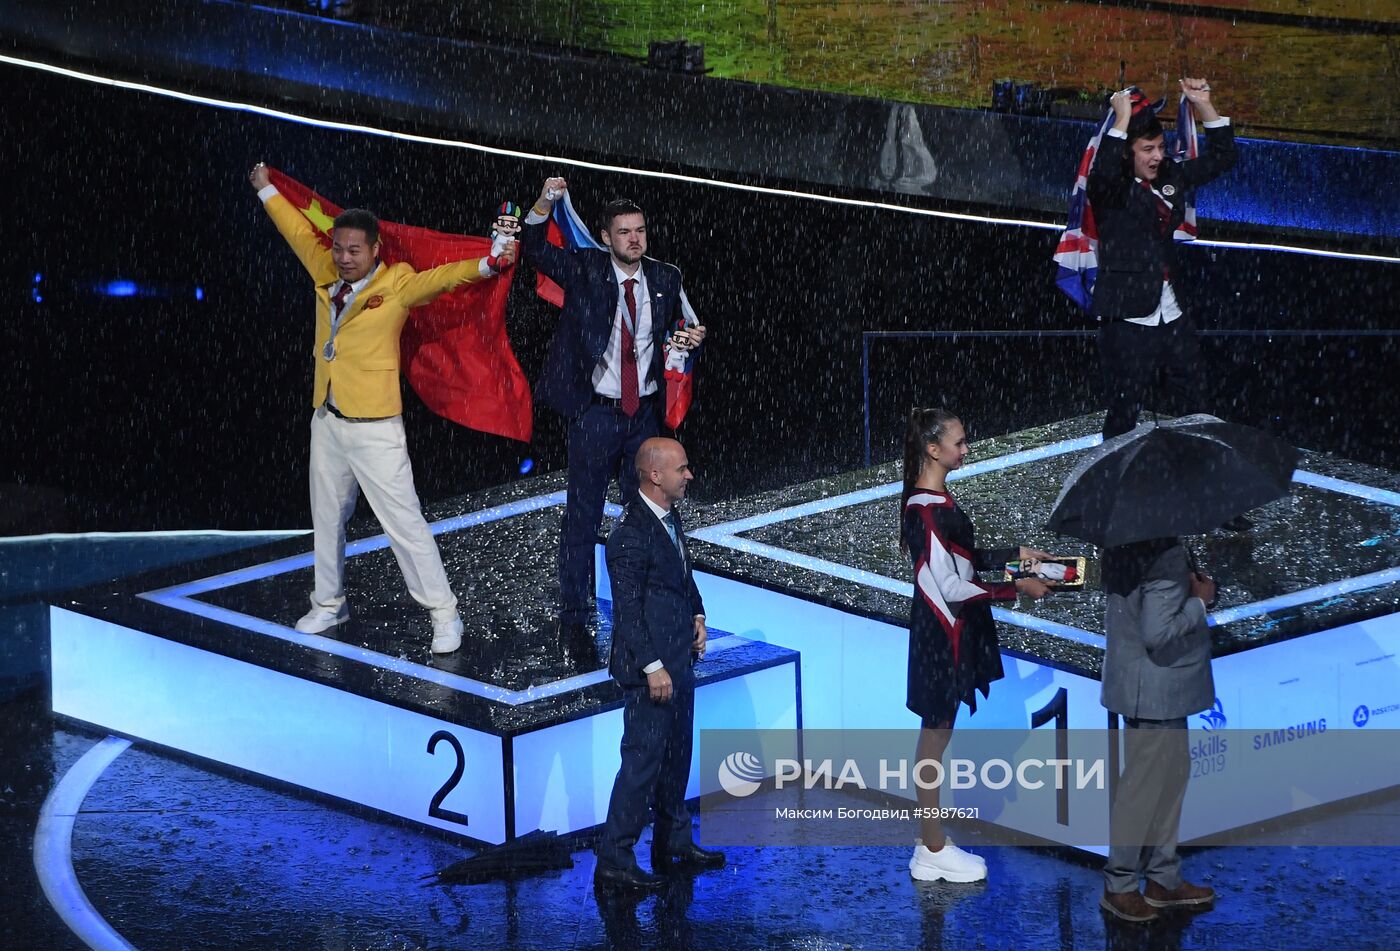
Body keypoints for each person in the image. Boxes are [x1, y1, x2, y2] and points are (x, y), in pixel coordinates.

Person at [248, 162, 514, 654]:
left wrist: (486, 265)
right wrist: (266, 191)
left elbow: (443, 279)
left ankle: (443, 612)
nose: (344, 258)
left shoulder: (397, 283)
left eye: (355, 250)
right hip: (326, 420)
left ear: (375, 250)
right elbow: (292, 229)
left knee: (404, 525)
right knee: (325, 518)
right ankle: (329, 603)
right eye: (339, 248)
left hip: (376, 429)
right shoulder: (324, 271)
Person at [522, 178, 706, 641]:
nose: (634, 239)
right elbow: (532, 245)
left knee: (649, 509)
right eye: (624, 232)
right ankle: (575, 614)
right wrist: (546, 199)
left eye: (640, 230)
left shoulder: (666, 278)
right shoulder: (585, 269)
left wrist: (688, 340)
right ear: (606, 237)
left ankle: (651, 599)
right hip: (596, 413)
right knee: (583, 515)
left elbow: (678, 331)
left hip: (643, 414)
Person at [900, 408, 1055, 883]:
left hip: (948, 631)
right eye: (960, 442)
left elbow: (962, 562)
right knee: (933, 742)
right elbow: (948, 586)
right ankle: (931, 848)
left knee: (936, 738)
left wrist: (1016, 558)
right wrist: (1015, 589)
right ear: (933, 449)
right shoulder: (924, 510)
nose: (966, 449)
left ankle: (931, 844)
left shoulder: (936, 501)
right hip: (940, 636)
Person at [594, 437, 723, 890]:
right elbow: (626, 612)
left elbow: (683, 576)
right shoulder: (629, 535)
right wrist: (653, 667)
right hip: (652, 671)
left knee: (675, 759)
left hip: (678, 660)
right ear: (654, 475)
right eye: (682, 469)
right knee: (642, 764)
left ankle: (673, 842)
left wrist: (698, 616)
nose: (689, 476)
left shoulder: (669, 517)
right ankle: (614, 859)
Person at [1089, 79, 1236, 440]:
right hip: (1128, 316)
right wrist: (1121, 120)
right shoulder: (1111, 190)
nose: (1157, 156)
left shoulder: (1170, 175)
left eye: (1160, 147)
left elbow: (1224, 158)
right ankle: (1114, 481)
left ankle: (1199, 470)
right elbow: (1103, 171)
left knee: (1197, 400)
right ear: (1128, 152)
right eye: (1147, 149)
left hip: (1173, 313)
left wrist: (1205, 106)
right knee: (1125, 410)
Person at [1099, 537, 1218, 922]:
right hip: (1157, 690)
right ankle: (1121, 885)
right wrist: (1200, 601)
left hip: (1149, 687)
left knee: (1165, 782)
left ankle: (1163, 878)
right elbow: (1158, 632)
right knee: (1145, 790)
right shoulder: (1164, 554)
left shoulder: (1123, 543)